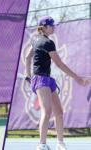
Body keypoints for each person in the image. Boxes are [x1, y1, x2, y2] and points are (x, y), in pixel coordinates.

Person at [25, 16, 88, 150]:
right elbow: (59, 64)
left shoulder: (34, 38)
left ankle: (60, 143)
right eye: (52, 25)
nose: (54, 28)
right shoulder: (48, 43)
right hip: (41, 80)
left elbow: (27, 56)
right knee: (47, 111)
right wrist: (78, 78)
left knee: (59, 112)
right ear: (45, 27)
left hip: (47, 79)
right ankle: (41, 145)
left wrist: (28, 75)